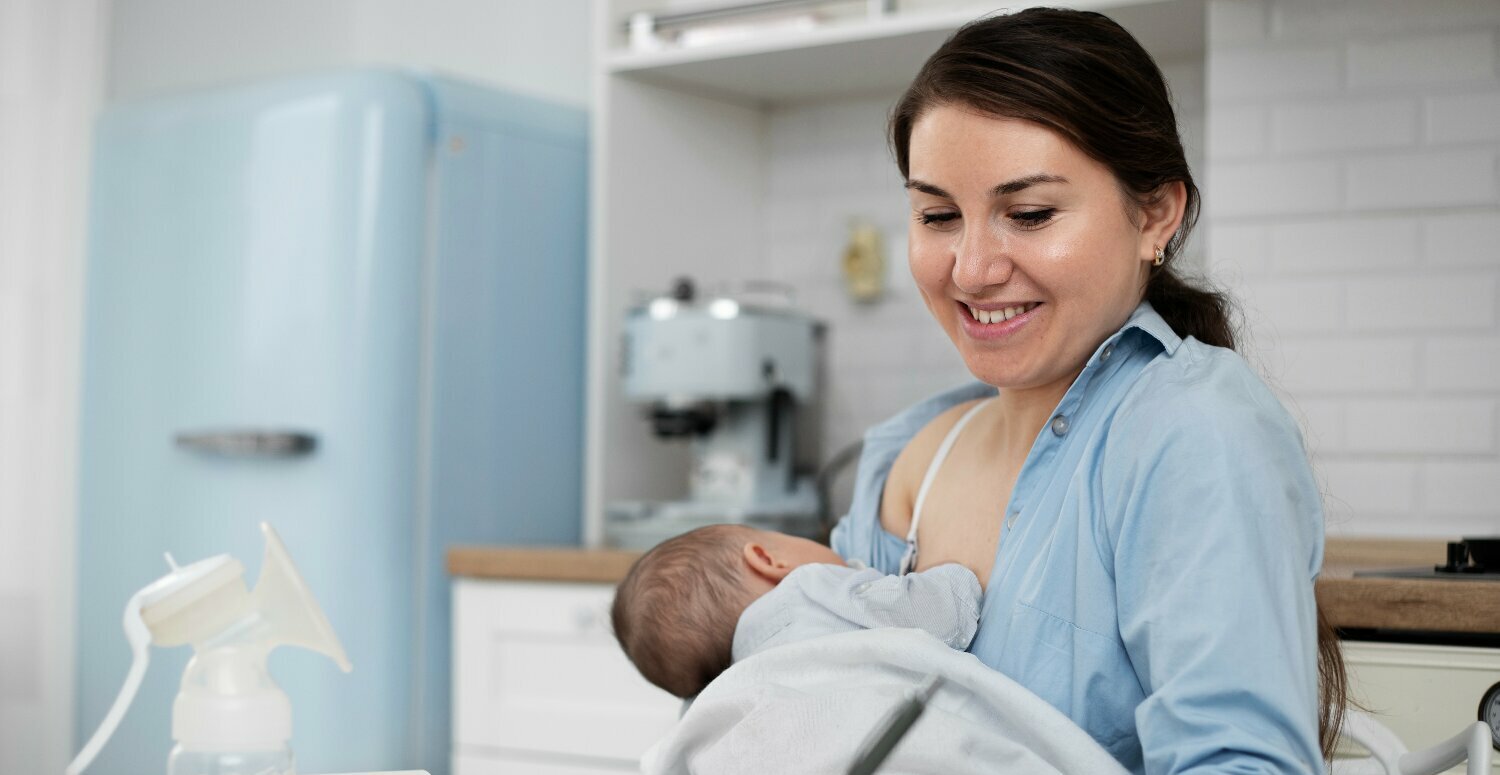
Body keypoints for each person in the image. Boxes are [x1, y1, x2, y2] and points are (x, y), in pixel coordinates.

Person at [830, 7, 1346, 775]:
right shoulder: (907, 456)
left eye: (1029, 214)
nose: (971, 268)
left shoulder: (1194, 433)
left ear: (1155, 214)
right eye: (938, 215)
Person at [610, 523, 980, 699]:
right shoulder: (808, 589)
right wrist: (949, 574)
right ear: (767, 559)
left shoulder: (738, 692)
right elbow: (946, 611)